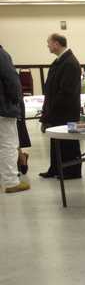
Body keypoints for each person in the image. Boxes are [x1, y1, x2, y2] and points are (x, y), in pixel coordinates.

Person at [39, 33, 82, 180]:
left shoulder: (69, 62)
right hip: (58, 110)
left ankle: (72, 171)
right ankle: (56, 168)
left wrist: (51, 108)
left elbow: (66, 91)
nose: (48, 46)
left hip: (66, 111)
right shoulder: (60, 61)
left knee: (68, 143)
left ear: (57, 44)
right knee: (56, 140)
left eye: (49, 43)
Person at [0, 44, 28, 193]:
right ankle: (11, 182)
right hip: (3, 109)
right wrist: (16, 100)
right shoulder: (2, 55)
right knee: (8, 145)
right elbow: (12, 81)